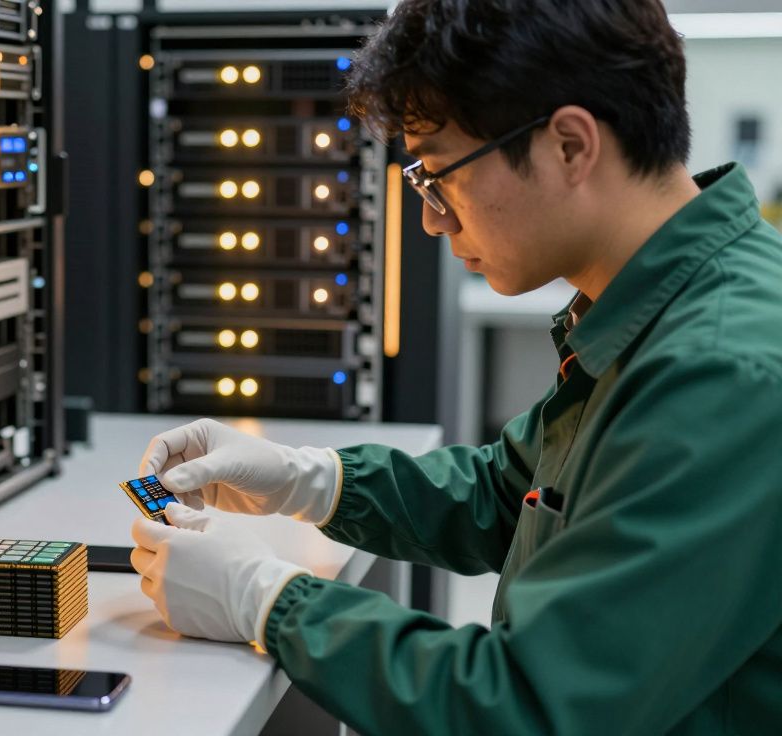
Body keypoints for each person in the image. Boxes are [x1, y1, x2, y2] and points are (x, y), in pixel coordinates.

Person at [126, 1, 782, 733]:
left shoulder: (723, 370)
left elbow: (527, 708)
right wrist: (305, 479)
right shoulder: (663, 306)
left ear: (570, 146)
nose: (433, 218)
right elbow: (508, 495)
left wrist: (267, 601)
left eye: (439, 175)